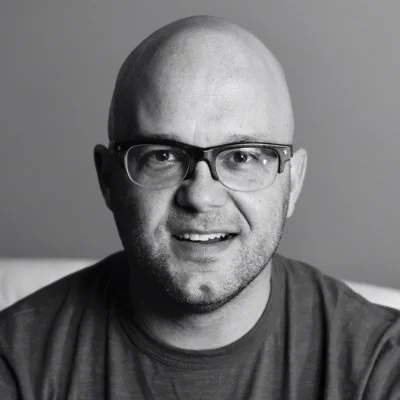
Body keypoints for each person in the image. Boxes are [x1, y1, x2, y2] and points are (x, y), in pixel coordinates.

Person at [0, 15, 399, 400]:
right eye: (162, 156)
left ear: (292, 182)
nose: (201, 196)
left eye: (242, 156)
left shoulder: (380, 367)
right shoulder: (17, 363)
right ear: (109, 179)